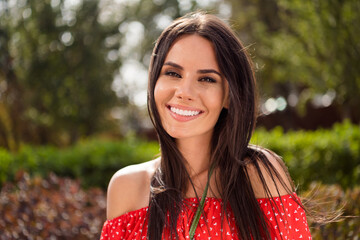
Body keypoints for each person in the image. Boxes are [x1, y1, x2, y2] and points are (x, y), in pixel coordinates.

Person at [100, 12, 312, 240]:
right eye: (172, 73)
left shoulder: (257, 174)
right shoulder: (127, 187)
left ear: (230, 96)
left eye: (207, 79)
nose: (184, 92)